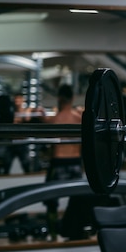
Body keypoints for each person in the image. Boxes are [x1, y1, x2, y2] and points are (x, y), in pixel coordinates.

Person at [44, 84, 83, 240]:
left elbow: (50, 144)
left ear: (59, 98)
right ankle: (76, 231)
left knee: (51, 201)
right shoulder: (78, 117)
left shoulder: (55, 118)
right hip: (75, 161)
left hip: (59, 162)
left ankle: (53, 235)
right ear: (72, 98)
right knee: (77, 199)